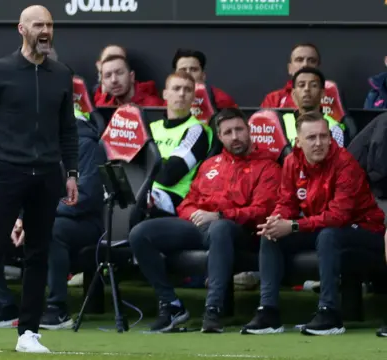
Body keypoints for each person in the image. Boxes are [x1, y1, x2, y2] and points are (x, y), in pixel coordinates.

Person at [0, 5, 79, 353]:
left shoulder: (61, 74)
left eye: (50, 25)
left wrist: (71, 174)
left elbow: (68, 130)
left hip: (46, 175)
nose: (46, 30)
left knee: (38, 254)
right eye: (38, 24)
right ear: (21, 29)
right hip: (6, 172)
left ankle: (28, 333)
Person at [129, 108, 281, 333]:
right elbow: (187, 202)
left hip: (239, 231)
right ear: (220, 137)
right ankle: (171, 305)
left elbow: (260, 211)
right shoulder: (211, 165)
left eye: (239, 130)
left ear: (249, 131)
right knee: (140, 233)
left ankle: (213, 310)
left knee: (220, 228)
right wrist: (195, 215)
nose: (235, 136)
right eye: (228, 132)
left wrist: (219, 215)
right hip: (200, 227)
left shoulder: (267, 166)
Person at [242, 111, 386, 336]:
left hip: (365, 230)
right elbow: (287, 202)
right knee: (270, 234)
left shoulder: (345, 163)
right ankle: (268, 312)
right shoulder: (291, 162)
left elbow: (339, 216)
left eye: (323, 136)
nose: (318, 143)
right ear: (298, 142)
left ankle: (330, 313)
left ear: (330, 138)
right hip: (323, 227)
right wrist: (278, 218)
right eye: (311, 138)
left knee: (329, 234)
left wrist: (294, 226)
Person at [0, 109, 105, 330]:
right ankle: (5, 306)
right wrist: (16, 217)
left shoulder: (87, 145)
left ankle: (57, 309)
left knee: (49, 228)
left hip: (82, 222)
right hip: (33, 217)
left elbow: (85, 197)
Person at [147, 71, 211, 217]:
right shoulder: (152, 127)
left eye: (188, 90)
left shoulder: (196, 130)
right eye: (176, 88)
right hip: (143, 191)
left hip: (172, 199)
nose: (182, 94)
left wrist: (145, 164)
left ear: (194, 97)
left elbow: (168, 175)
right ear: (165, 94)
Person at [280, 67, 344, 147]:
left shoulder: (334, 129)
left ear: (322, 93)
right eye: (301, 85)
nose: (307, 89)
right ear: (293, 94)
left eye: (313, 85)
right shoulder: (280, 123)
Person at [172, 48, 237, 109]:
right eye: (182, 70)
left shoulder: (222, 100)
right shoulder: (169, 99)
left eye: (194, 70)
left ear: (203, 75)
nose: (188, 74)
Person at [261, 43, 321, 108]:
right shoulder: (273, 99)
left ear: (318, 67)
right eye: (299, 60)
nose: (305, 64)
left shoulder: (330, 98)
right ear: (290, 68)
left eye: (312, 61)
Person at [95, 54, 164, 107]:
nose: (114, 80)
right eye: (108, 76)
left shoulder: (153, 105)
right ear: (103, 82)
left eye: (119, 73)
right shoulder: (103, 109)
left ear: (131, 76)